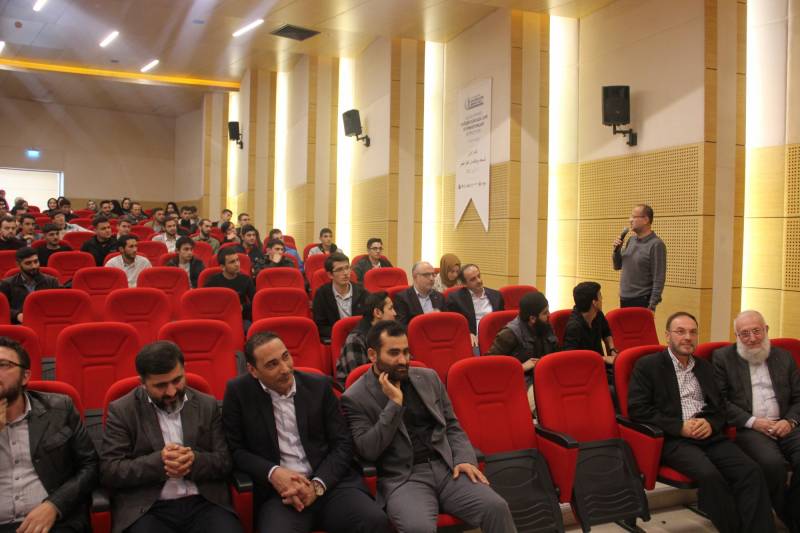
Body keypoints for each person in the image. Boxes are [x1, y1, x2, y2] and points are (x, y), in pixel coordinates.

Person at [342, 321, 516, 533]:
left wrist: (463, 458)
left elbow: (452, 425)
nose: (403, 360)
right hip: (404, 479)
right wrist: (394, 405)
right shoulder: (355, 397)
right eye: (394, 353)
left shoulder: (428, 378)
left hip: (447, 469)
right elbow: (368, 450)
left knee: (496, 507)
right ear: (372, 355)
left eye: (406, 352)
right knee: (419, 528)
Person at [222, 332, 390, 533]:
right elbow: (236, 450)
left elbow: (343, 444)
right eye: (272, 364)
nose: (285, 369)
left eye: (286, 357)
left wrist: (317, 486)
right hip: (280, 495)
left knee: (375, 521)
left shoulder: (319, 386)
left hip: (329, 484)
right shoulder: (238, 393)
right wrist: (273, 473)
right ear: (253, 370)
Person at [628, 312, 776, 533]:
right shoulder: (648, 366)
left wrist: (710, 423)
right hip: (674, 439)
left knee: (750, 471)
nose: (687, 337)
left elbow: (720, 407)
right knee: (710, 476)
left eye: (693, 332)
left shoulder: (704, 367)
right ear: (667, 335)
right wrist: (679, 427)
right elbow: (638, 409)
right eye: (680, 332)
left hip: (709, 435)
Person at [100, 341, 241, 533]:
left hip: (204, 503)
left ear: (184, 370)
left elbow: (225, 461)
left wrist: (194, 461)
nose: (172, 391)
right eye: (161, 385)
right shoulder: (123, 411)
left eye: (177, 380)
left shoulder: (206, 404)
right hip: (148, 509)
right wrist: (160, 462)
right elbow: (110, 470)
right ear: (142, 383)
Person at [712, 310, 800, 531]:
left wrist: (790, 421)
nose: (751, 338)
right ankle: (788, 515)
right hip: (750, 428)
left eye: (756, 331)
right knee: (772, 465)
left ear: (766, 330)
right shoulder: (723, 358)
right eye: (744, 333)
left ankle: (794, 511)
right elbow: (720, 402)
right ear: (736, 336)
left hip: (786, 424)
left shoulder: (784, 357)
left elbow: (799, 397)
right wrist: (753, 422)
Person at [0, 336, 99, 532]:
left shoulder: (59, 410)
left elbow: (90, 466)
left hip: (55, 523)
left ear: (25, 376)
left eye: (3, 365)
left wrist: (55, 504)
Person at [486, 291, 558, 406]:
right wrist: (521, 367)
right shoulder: (509, 333)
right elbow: (489, 366)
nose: (549, 315)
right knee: (546, 405)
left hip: (546, 376)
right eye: (545, 313)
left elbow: (555, 352)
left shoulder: (545, 325)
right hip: (522, 381)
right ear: (532, 318)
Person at [335, 291, 397, 388]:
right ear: (377, 313)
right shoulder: (355, 340)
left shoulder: (391, 334)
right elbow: (359, 381)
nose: (395, 313)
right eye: (391, 308)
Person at [612, 203, 667, 310]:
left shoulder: (656, 244)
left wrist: (652, 306)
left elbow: (659, 278)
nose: (630, 220)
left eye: (634, 217)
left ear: (646, 220)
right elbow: (617, 266)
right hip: (624, 298)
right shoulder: (631, 240)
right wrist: (616, 250)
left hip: (642, 300)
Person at [562, 281, 618, 381]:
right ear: (594, 302)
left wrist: (612, 349)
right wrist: (603, 358)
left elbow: (606, 332)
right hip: (584, 373)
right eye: (600, 296)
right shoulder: (574, 327)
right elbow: (570, 359)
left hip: (599, 366)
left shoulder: (598, 314)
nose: (602, 299)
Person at [445, 264, 504, 348]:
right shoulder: (455, 299)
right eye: (473, 279)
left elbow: (502, 321)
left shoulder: (496, 295)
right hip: (473, 339)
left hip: (495, 337)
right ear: (464, 284)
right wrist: (468, 333)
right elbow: (453, 325)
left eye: (478, 276)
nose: (479, 280)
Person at [312, 253, 368, 340]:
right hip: (335, 338)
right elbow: (320, 326)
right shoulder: (321, 294)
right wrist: (342, 334)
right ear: (330, 275)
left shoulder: (362, 292)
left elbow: (368, 320)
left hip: (359, 338)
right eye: (339, 270)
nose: (345, 273)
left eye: (347, 268)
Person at [0, 247, 60, 324]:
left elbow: (59, 305)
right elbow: (2, 308)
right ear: (18, 265)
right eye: (28, 263)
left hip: (47, 322)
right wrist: (16, 315)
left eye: (36, 261)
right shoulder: (7, 284)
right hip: (19, 324)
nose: (34, 266)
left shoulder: (52, 282)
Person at [205, 248, 255, 325]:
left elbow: (255, 301)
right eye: (232, 262)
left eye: (237, 260)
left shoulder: (246, 279)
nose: (237, 264)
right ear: (222, 267)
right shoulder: (212, 281)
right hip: (218, 318)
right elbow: (205, 302)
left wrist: (243, 307)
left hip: (241, 318)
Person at [393, 261, 444, 326]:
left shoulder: (439, 296)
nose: (431, 278)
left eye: (433, 274)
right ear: (415, 277)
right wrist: (427, 319)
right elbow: (401, 326)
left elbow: (446, 323)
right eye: (427, 275)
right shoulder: (402, 298)